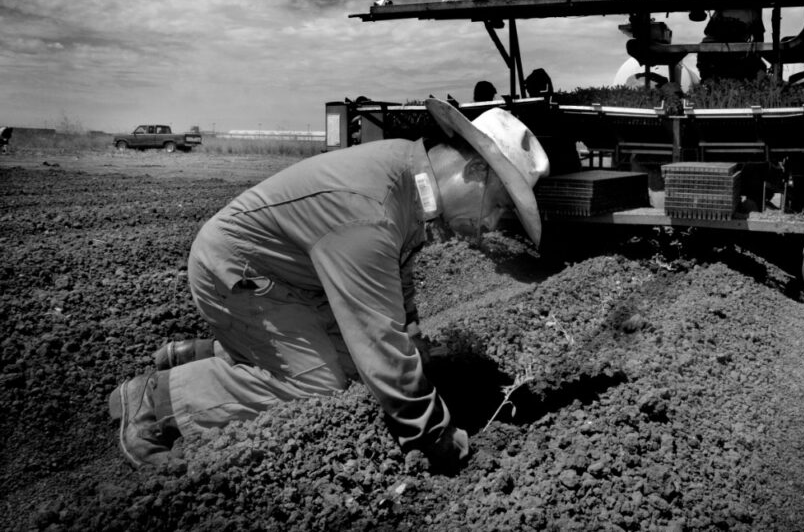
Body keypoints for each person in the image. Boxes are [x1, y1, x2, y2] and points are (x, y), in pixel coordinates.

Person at [108, 99, 550, 472]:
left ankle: (206, 355)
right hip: (237, 272)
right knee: (319, 383)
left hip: (289, 279)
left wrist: (411, 331)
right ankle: (154, 400)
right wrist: (432, 434)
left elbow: (393, 273)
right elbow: (376, 335)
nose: (489, 225)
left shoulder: (405, 175)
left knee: (355, 365)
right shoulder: (371, 206)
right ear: (473, 171)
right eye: (495, 206)